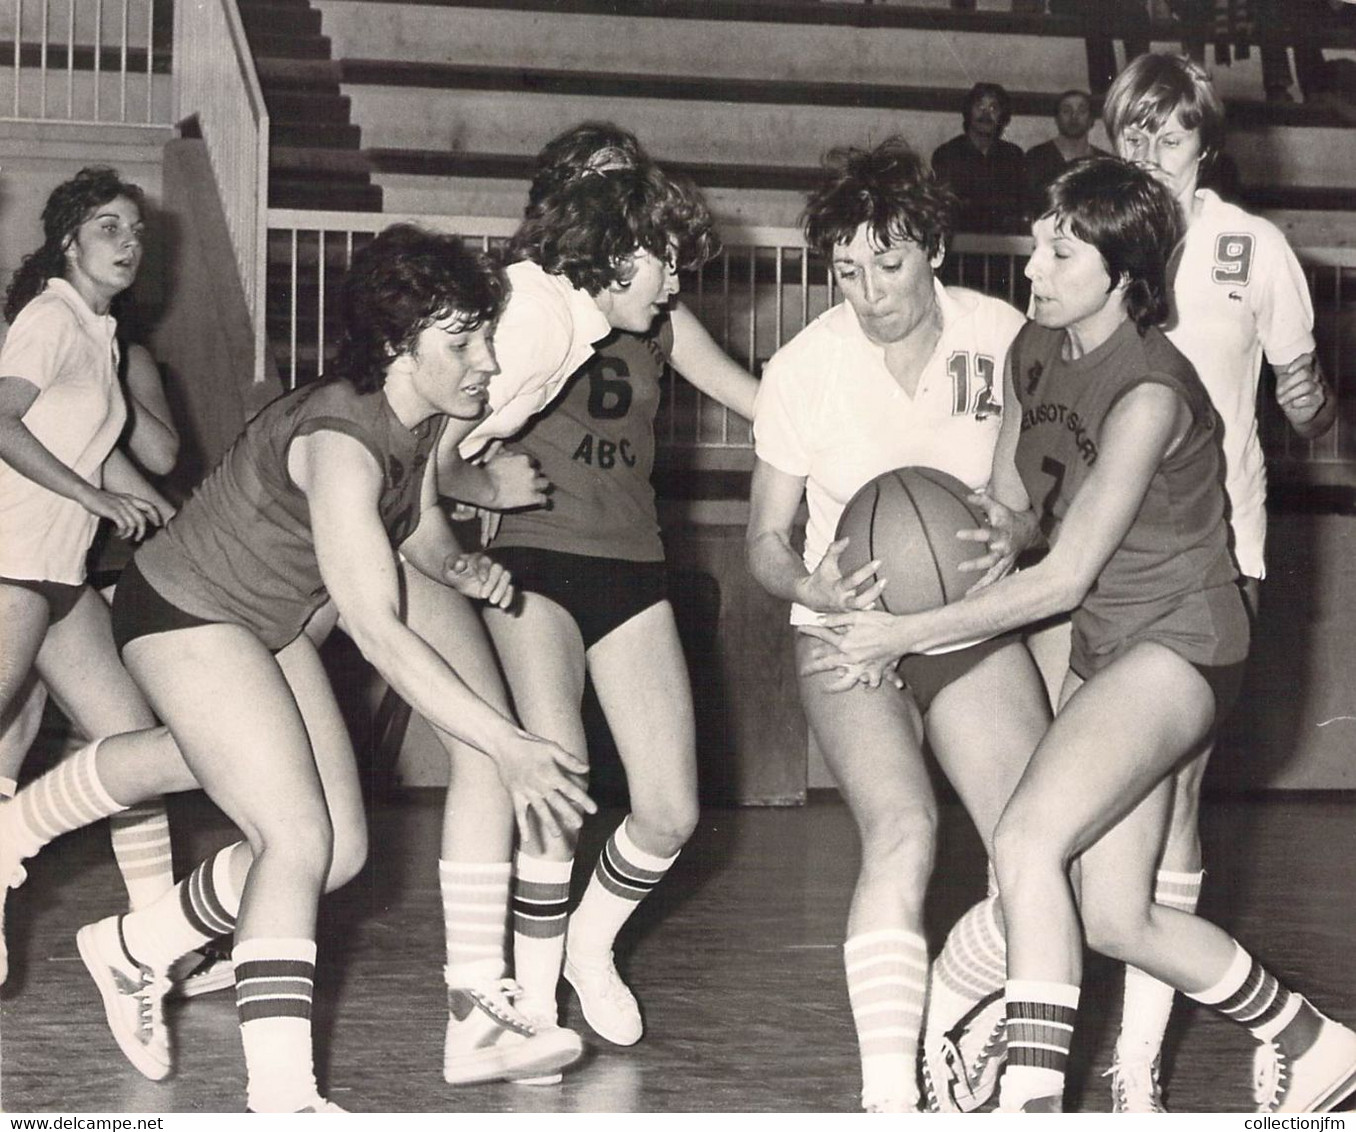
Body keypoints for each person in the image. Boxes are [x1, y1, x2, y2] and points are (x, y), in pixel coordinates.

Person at [802, 156, 1356, 1114]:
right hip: (1112, 642)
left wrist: (904, 632)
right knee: (1114, 915)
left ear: (1125, 274)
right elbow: (1017, 511)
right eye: (1036, 244)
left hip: (1187, 639)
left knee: (1024, 844)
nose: (1033, 266)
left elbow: (1063, 576)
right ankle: (1316, 1043)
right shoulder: (1032, 351)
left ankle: (1033, 1103)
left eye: (1060, 253)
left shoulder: (1154, 391)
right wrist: (987, 529)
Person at [55, 224, 596, 1112]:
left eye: (485, 336)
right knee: (295, 839)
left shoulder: (417, 417)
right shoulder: (343, 436)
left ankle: (135, 947)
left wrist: (459, 566)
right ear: (396, 344)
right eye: (463, 341)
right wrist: (506, 743)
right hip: (186, 611)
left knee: (337, 853)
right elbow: (379, 632)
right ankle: (283, 1101)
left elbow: (412, 521)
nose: (488, 362)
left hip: (263, 625)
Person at [921, 51, 1337, 1114]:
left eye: (1172, 133)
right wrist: (1003, 522)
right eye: (1133, 132)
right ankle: (1006, 1017)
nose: (1152, 150)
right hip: (1085, 573)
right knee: (1065, 832)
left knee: (1130, 814)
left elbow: (1305, 404)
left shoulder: (1252, 250)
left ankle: (1128, 1065)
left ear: (1206, 144)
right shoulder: (1078, 258)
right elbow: (1034, 463)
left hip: (1201, 555)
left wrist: (1307, 396)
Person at [745, 136, 1050, 1113]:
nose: (867, 291)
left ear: (934, 248)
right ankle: (889, 1098)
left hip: (966, 618)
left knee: (1036, 846)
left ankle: (952, 1007)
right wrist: (821, 592)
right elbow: (763, 542)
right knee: (905, 828)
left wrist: (1021, 527)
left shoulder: (1006, 335)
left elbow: (1044, 493)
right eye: (845, 269)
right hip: (852, 625)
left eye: (888, 263)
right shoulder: (804, 366)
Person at [438, 135, 757, 1064]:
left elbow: (754, 398)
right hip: (536, 556)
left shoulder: (653, 310)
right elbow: (438, 448)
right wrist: (478, 495)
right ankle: (533, 1007)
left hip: (631, 558)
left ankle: (589, 941)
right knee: (559, 781)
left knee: (671, 811)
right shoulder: (523, 307)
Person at [0, 167, 182, 989]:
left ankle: (159, 942)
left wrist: (174, 525)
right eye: (110, 227)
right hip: (8, 562)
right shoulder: (49, 315)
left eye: (136, 231)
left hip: (60, 573)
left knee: (130, 743)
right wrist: (94, 498)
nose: (129, 242)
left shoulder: (100, 333)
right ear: (66, 240)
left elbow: (99, 450)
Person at [930, 83, 1029, 234]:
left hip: (1003, 246)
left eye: (993, 108)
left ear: (1002, 116)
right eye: (979, 107)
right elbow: (944, 207)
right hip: (957, 245)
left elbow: (1019, 206)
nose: (986, 114)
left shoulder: (1014, 155)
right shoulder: (947, 153)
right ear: (968, 112)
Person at [1024, 90, 1107, 213]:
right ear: (1056, 119)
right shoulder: (1036, 157)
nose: (1074, 117)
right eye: (1066, 111)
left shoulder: (1103, 162)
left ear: (1091, 120)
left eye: (1082, 111)